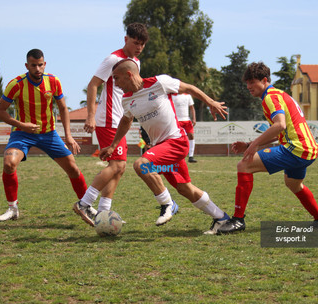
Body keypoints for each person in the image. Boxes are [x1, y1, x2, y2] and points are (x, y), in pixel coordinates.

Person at [99, 59, 230, 234]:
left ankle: (167, 203)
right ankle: (221, 218)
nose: (115, 83)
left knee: (141, 165)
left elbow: (189, 88)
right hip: (161, 149)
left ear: (129, 74)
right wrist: (113, 145)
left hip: (176, 142)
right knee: (184, 188)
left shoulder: (158, 82)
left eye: (116, 78)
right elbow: (126, 120)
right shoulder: (127, 99)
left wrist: (210, 102)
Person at [217, 62, 318, 234]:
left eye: (252, 82)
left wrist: (254, 144)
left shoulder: (270, 97)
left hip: (296, 148)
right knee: (293, 184)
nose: (248, 86)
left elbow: (279, 125)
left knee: (244, 165)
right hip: (309, 149)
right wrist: (250, 144)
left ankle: (238, 220)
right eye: (247, 83)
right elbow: (279, 130)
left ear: (264, 80)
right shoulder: (277, 94)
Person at [0, 49, 94, 222]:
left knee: (72, 168)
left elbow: (64, 108)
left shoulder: (53, 81)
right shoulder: (16, 84)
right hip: (22, 133)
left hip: (49, 134)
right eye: (33, 65)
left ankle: (86, 205)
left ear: (45, 64)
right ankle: (13, 208)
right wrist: (21, 125)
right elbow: (0, 110)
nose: (37, 68)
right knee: (9, 163)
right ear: (27, 66)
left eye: (40, 65)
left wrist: (69, 136)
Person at [73, 23, 149, 226]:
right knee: (116, 165)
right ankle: (84, 203)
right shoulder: (113, 59)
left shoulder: (136, 62)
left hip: (121, 119)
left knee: (120, 167)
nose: (139, 47)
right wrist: (90, 115)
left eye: (142, 44)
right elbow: (93, 85)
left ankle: (103, 213)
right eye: (136, 43)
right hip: (108, 119)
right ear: (126, 40)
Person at [172, 93, 197, 163]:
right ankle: (177, 156)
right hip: (177, 120)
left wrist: (194, 118)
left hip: (187, 120)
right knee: (178, 138)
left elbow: (192, 108)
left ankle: (191, 156)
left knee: (191, 136)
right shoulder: (173, 95)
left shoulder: (188, 95)